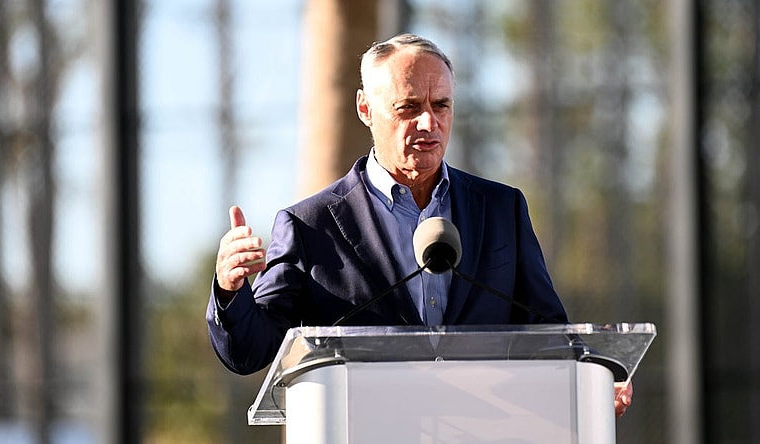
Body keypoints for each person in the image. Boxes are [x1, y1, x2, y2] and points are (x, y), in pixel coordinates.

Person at [206, 33, 633, 417]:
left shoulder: (502, 209)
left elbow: (547, 332)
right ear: (365, 109)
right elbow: (250, 350)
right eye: (408, 107)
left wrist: (591, 381)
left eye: (440, 105)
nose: (428, 123)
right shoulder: (310, 226)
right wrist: (230, 288)